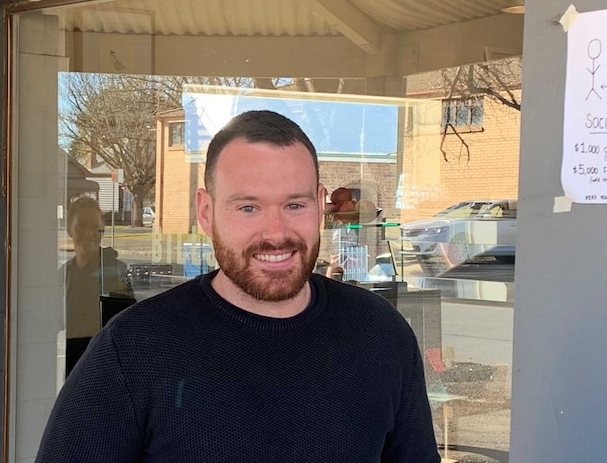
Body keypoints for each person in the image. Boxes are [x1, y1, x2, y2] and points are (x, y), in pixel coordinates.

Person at [36, 110, 438, 462]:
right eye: (248, 207)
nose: (276, 232)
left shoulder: (380, 334)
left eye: (294, 205)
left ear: (319, 203)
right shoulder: (134, 351)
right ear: (207, 212)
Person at [60, 196, 133, 377]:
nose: (89, 233)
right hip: (72, 358)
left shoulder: (116, 271)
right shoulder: (64, 274)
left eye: (95, 227)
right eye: (81, 226)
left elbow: (124, 327)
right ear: (70, 229)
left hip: (106, 363)